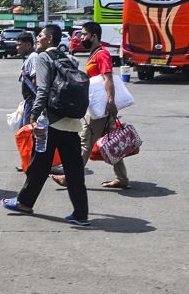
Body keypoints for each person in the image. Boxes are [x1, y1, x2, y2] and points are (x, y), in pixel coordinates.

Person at [2, 24, 90, 226]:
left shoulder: (44, 58)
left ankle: (24, 203)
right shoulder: (70, 58)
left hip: (50, 121)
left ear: (50, 39)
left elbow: (42, 90)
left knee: (39, 164)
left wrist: (34, 115)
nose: (37, 40)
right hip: (71, 122)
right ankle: (81, 214)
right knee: (74, 170)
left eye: (40, 36)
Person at [51, 21, 130, 189]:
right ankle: (122, 178)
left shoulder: (102, 54)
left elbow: (107, 78)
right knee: (112, 141)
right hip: (97, 106)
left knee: (85, 142)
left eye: (84, 34)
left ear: (94, 36)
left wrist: (110, 101)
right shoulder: (94, 53)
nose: (82, 37)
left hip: (100, 108)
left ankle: (70, 178)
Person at [16, 31, 38, 126]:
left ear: (28, 45)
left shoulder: (33, 57)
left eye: (19, 45)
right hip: (28, 101)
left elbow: (36, 80)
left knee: (27, 130)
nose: (17, 48)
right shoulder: (28, 57)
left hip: (32, 102)